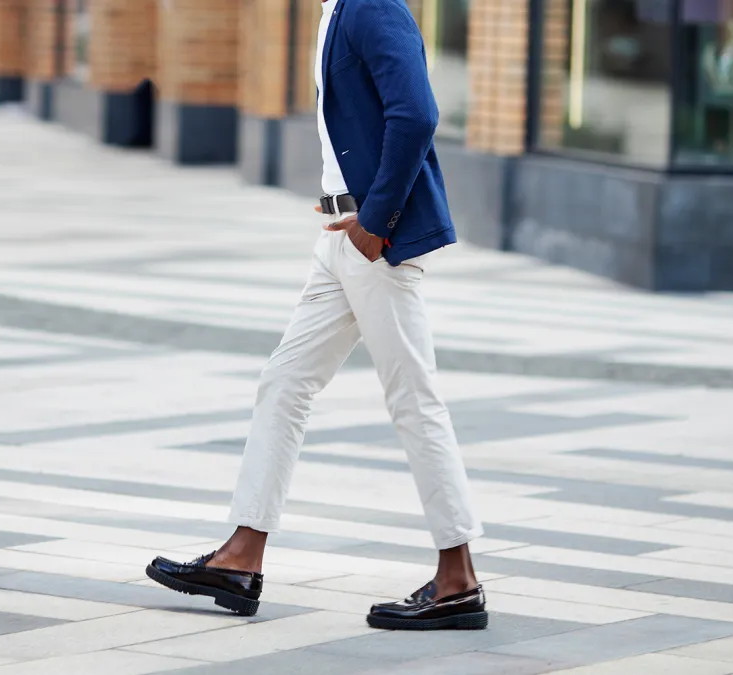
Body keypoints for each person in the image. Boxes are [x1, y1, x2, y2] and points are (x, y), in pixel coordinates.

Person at [147, 0, 486, 631]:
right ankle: (240, 557)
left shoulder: (372, 5)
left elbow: (417, 114)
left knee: (414, 401)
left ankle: (458, 579)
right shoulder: (337, 9)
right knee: (285, 382)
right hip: (340, 237)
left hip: (374, 239)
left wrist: (377, 222)